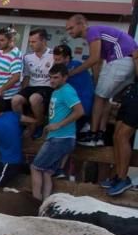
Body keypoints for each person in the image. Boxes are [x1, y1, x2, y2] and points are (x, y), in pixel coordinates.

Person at [65, 14, 138, 147]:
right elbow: (98, 62)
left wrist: (72, 72)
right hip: (127, 62)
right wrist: (96, 82)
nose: (69, 32)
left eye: (71, 28)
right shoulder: (97, 35)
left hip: (120, 59)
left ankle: (92, 134)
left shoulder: (92, 32)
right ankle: (100, 134)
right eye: (67, 29)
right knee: (105, 98)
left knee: (99, 98)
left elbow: (93, 58)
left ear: (82, 24)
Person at [30, 64, 82, 201]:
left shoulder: (67, 91)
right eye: (50, 77)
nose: (52, 80)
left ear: (65, 77)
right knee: (47, 172)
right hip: (58, 137)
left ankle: (35, 201)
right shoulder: (56, 91)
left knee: (35, 168)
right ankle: (46, 202)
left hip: (61, 137)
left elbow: (79, 111)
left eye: (56, 77)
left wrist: (59, 124)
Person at [16, 28, 55, 139]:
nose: (31, 44)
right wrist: (22, 91)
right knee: (16, 100)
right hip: (32, 86)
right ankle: (24, 124)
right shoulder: (28, 57)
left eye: (33, 42)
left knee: (34, 99)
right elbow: (27, 76)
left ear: (43, 41)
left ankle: (39, 124)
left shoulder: (52, 55)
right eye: (29, 42)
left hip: (47, 87)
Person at [104, 81, 138, 196]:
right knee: (116, 136)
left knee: (123, 136)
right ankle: (118, 176)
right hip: (133, 90)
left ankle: (123, 178)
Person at [52, 43, 94, 127]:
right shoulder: (72, 65)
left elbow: (56, 85)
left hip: (80, 109)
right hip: (73, 108)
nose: (55, 62)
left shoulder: (73, 67)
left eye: (58, 59)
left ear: (67, 58)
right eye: (54, 59)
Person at [0, 26, 23, 108]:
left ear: (11, 40)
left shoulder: (15, 54)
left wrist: (1, 90)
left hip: (7, 97)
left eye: (2, 40)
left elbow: (16, 77)